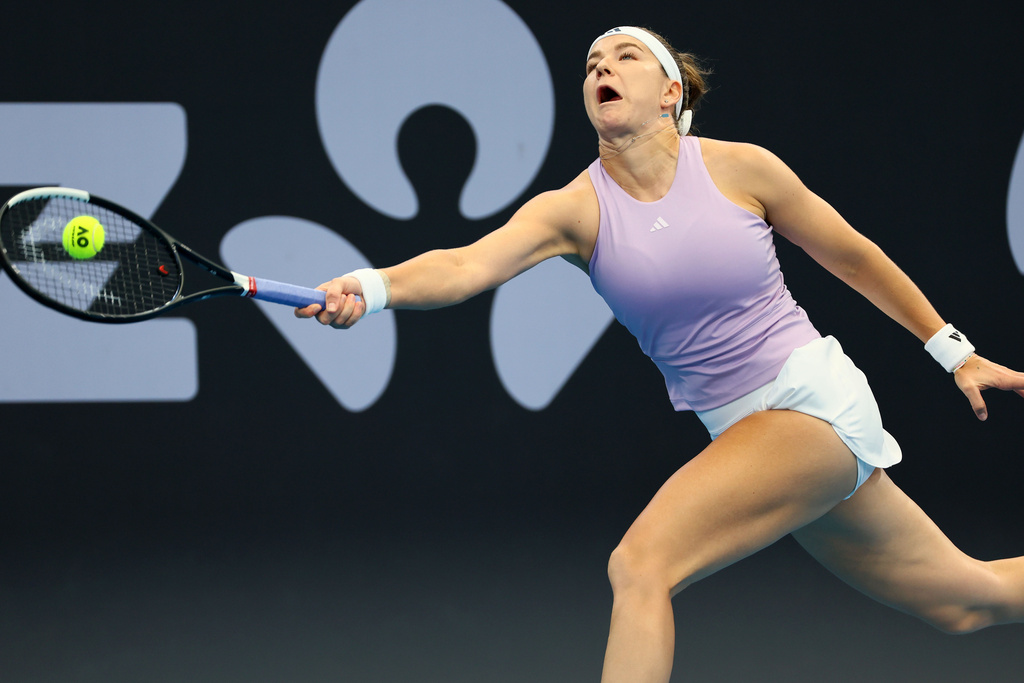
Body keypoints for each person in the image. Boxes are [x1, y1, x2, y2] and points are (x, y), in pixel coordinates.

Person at [296, 26, 1024, 683]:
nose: (602, 68)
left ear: (670, 88)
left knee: (640, 564)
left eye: (624, 56)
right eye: (591, 64)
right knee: (967, 599)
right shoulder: (574, 210)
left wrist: (953, 350)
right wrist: (370, 286)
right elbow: (462, 267)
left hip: (812, 404)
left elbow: (854, 257)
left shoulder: (743, 169)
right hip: (747, 434)